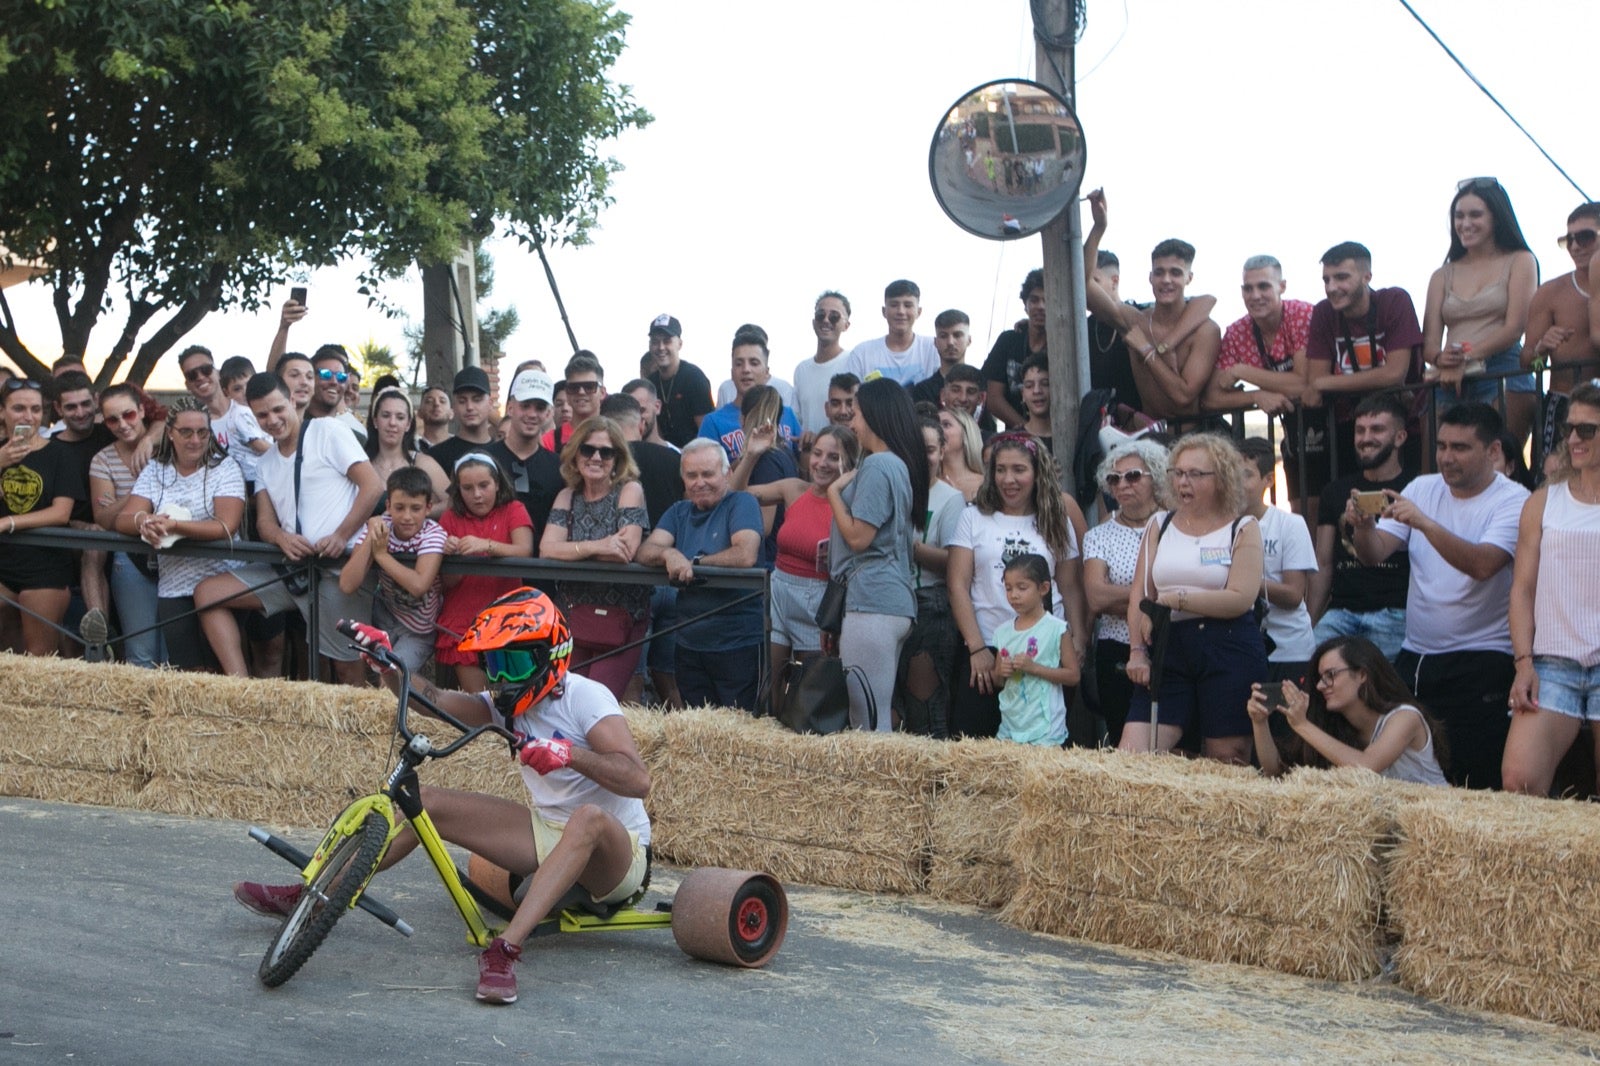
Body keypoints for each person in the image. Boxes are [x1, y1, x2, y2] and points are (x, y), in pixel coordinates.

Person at [234, 588, 652, 1007]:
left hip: (619, 857)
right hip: (550, 834)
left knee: (588, 817)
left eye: (514, 665)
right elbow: (432, 700)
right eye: (495, 666)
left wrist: (569, 754)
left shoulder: (585, 697)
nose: (503, 680)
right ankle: (313, 898)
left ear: (551, 656)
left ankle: (504, 951)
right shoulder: (506, 703)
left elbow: (638, 779)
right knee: (425, 802)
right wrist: (389, 665)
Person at [1352, 402, 1529, 789]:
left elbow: (1483, 564)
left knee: (1474, 777)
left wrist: (1425, 523)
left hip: (1483, 657)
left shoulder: (1514, 500)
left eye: (1460, 448)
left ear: (1493, 451)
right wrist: (1363, 528)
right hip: (1418, 655)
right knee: (1415, 775)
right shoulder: (1422, 488)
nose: (1447, 458)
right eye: (1442, 446)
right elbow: (1374, 553)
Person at [193, 374, 382, 685]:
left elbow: (372, 486)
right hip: (293, 571)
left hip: (338, 569)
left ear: (293, 401)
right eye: (262, 415)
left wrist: (341, 535)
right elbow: (265, 523)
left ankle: (360, 718)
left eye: (278, 409)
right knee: (208, 594)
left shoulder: (328, 430)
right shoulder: (265, 462)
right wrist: (282, 538)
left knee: (347, 668)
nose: (272, 420)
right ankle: (241, 690)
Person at [1121, 434, 1266, 763]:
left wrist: (1176, 600)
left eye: (1195, 474)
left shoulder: (1243, 527)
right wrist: (1137, 652)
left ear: (1222, 479)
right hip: (1168, 646)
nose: (1183, 482)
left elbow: (1240, 598)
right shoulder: (1160, 523)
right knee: (1132, 755)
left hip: (1227, 646)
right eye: (1178, 473)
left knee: (1225, 759)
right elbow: (1140, 594)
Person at [948, 431, 1088, 739]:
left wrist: (1078, 638)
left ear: (1038, 473)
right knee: (977, 742)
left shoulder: (1056, 519)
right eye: (1000, 469)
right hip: (989, 645)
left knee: (1042, 742)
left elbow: (1070, 586)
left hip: (1045, 649)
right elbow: (957, 584)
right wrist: (977, 648)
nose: (1008, 479)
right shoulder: (973, 517)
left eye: (1019, 469)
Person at [1504, 381, 1600, 795]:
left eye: (1587, 430)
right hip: (1551, 662)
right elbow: (1522, 590)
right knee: (1519, 781)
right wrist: (1524, 664)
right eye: (1569, 428)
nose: (1573, 439)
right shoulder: (1543, 502)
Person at [114, 398, 247, 671]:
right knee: (188, 673)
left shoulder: (225, 467)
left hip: (222, 580)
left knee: (223, 672)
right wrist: (144, 521)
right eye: (186, 432)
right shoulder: (155, 470)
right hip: (174, 583)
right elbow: (123, 519)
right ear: (170, 433)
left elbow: (226, 526)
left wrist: (174, 526)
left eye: (202, 432)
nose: (195, 440)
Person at [826, 378, 928, 732]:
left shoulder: (878, 466)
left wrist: (833, 494)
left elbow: (858, 537)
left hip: (872, 600)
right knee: (876, 713)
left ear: (874, 415)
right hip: (891, 599)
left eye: (856, 414)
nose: (851, 423)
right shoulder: (898, 464)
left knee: (866, 719)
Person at [732, 423, 859, 703]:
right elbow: (736, 495)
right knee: (769, 688)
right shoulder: (795, 488)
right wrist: (752, 454)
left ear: (849, 463)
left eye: (833, 457)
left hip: (818, 600)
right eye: (817, 453)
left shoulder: (852, 502)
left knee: (807, 694)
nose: (822, 463)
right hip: (779, 589)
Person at [637, 439, 763, 711]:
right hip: (688, 643)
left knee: (739, 724)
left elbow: (745, 554)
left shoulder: (741, 503)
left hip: (737, 642)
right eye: (691, 475)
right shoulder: (679, 511)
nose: (699, 482)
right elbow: (645, 550)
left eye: (708, 474)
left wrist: (694, 563)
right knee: (697, 724)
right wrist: (669, 554)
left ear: (727, 474)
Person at [1082, 190, 1221, 423]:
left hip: (1194, 434)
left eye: (1175, 273)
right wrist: (1099, 227)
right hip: (1151, 434)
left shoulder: (1206, 330)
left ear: (1189, 278)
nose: (1166, 280)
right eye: (1159, 272)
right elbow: (1083, 287)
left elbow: (1183, 397)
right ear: (1150, 277)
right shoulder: (1135, 320)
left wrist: (1147, 350)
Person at [1422, 177, 1538, 447]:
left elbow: (1515, 328)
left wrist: (1466, 358)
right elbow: (1429, 343)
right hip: (1448, 377)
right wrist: (1440, 358)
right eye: (1459, 216)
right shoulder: (1442, 274)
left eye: (1475, 215)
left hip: (1501, 368)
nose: (1465, 223)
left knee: (1500, 460)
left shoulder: (1520, 260)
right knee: (1437, 464)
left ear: (1496, 218)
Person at [539, 417, 650, 699]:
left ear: (617, 459)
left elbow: (625, 551)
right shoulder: (567, 496)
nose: (596, 457)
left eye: (606, 452)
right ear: (575, 454)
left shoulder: (630, 490)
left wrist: (571, 550)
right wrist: (599, 545)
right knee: (563, 700)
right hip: (573, 615)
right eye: (588, 449)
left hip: (620, 617)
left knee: (594, 700)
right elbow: (547, 548)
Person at [1306, 242, 1427, 486]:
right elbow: (1315, 379)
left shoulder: (1394, 300)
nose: (1331, 287)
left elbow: (1395, 374)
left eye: (1341, 278)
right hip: (1351, 429)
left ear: (1367, 277)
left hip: (1406, 423)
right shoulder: (1323, 312)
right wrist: (1320, 383)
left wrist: (1325, 383)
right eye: (1326, 280)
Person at [1250, 636, 1448, 786]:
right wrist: (1259, 723)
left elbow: (1367, 767)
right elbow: (1277, 774)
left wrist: (1302, 725)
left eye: (1331, 675)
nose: (1320, 686)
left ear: (1362, 674)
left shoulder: (1405, 717)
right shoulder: (1334, 725)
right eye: (1320, 678)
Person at [1309, 394, 1415, 661]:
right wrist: (1309, 623)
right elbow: (1323, 562)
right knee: (1309, 669)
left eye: (1377, 429)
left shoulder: (1416, 489)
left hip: (1396, 613)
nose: (1366, 438)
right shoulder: (1335, 491)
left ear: (1400, 437)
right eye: (1360, 430)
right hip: (1340, 613)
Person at [1083, 439, 1169, 747]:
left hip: (1171, 645)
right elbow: (1096, 597)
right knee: (1123, 741)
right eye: (1113, 478)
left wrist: (1125, 598)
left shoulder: (1176, 526)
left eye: (1132, 476)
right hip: (1116, 651)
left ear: (1155, 476)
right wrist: (1154, 596)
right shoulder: (1098, 535)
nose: (1122, 485)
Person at [434, 453, 535, 691]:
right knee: (481, 701)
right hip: (463, 621)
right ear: (458, 490)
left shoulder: (514, 509)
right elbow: (447, 582)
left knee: (512, 698)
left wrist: (486, 545)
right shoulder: (450, 518)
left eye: (484, 485)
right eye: (468, 488)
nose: (477, 495)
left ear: (497, 484)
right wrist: (449, 555)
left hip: (507, 619)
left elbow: (525, 551)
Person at [896, 416, 967, 737]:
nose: (922, 457)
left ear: (942, 452)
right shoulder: (895, 488)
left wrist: (910, 546)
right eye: (915, 448)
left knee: (926, 709)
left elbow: (955, 562)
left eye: (928, 449)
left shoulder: (950, 499)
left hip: (931, 606)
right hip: (893, 602)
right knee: (897, 708)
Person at [0, 378, 81, 656]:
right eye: (19, 408)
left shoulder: (60, 453)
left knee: (37, 659)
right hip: (4, 563)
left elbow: (61, 513)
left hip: (45, 566)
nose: (28, 417)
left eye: (35, 409)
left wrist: (9, 522)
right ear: (2, 412)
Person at [338, 466, 447, 671]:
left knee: (393, 676)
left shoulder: (433, 533)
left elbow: (419, 586)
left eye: (415, 508)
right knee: (374, 674)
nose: (407, 516)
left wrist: (381, 555)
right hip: (384, 618)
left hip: (419, 629)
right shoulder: (381, 526)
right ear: (388, 506)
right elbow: (347, 584)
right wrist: (371, 535)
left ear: (428, 508)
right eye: (399, 508)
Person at [89, 385, 164, 666]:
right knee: (140, 653)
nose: (122, 424)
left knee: (176, 653)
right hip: (130, 554)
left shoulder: (169, 444)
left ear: (142, 410)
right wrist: (141, 490)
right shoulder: (103, 459)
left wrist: (151, 440)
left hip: (175, 552)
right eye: (112, 419)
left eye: (128, 414)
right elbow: (103, 517)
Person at [1238, 438, 1318, 684]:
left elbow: (1294, 595)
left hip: (1288, 651)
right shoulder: (1219, 526)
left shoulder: (1290, 524)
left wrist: (1240, 584)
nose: (1236, 483)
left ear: (1269, 480)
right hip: (1239, 648)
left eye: (1246, 475)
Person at [1525, 203, 1600, 463]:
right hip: (1564, 406)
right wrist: (1541, 351)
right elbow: (1530, 364)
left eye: (1585, 237)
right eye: (1568, 240)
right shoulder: (1551, 293)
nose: (1575, 246)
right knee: (1552, 479)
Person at [992, 553, 1080, 746]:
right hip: (1010, 726)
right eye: (1008, 588)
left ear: (1043, 588)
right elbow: (997, 680)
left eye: (1022, 588)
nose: (1014, 595)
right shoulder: (1002, 632)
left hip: (1046, 729)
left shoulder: (1057, 629)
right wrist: (1000, 672)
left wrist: (1035, 668)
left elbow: (1073, 676)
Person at [488, 369, 565, 550]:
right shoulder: (483, 459)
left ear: (549, 414)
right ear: (510, 408)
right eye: (525, 405)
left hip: (543, 563)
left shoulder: (560, 466)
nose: (532, 414)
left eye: (540, 408)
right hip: (488, 561)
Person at [697, 332, 802, 462]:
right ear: (732, 373)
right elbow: (705, 469)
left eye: (754, 363)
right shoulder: (713, 422)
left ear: (767, 373)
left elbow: (802, 465)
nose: (746, 369)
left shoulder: (788, 415)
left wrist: (809, 445)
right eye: (739, 364)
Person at [178, 345, 270, 491]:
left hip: (264, 485)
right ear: (187, 385)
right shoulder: (193, 426)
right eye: (192, 375)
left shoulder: (247, 410)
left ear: (217, 372)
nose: (200, 377)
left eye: (206, 369)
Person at [840, 280, 940, 388]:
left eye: (907, 305)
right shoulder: (862, 353)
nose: (901, 311)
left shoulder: (934, 348)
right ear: (884, 311)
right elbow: (847, 393)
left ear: (919, 312)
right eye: (894, 305)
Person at [362, 386, 449, 509]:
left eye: (400, 417)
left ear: (408, 424)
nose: (392, 423)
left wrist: (420, 513)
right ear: (375, 421)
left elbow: (453, 502)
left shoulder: (422, 462)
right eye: (386, 415)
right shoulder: (361, 465)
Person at [982, 271, 1049, 428]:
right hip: (1017, 435)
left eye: (1047, 300)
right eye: (1034, 300)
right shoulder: (1009, 341)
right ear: (1025, 305)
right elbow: (993, 397)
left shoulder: (1065, 346)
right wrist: (1028, 431)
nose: (1041, 306)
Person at [646, 314, 715, 447]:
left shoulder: (694, 378)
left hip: (696, 453)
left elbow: (707, 435)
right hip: (665, 453)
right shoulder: (651, 383)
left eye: (667, 341)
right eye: (655, 342)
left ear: (679, 344)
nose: (661, 347)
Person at [793, 291, 853, 434]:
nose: (826, 320)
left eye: (834, 316)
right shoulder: (802, 369)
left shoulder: (853, 362)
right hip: (811, 448)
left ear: (846, 325)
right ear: (814, 322)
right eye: (820, 315)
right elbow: (798, 419)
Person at [426, 366, 499, 473]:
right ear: (454, 406)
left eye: (477, 400)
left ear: (490, 404)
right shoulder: (435, 457)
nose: (469, 407)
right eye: (462, 401)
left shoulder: (504, 452)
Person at [911, 310, 973, 408]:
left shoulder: (982, 384)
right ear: (935, 342)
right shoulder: (923, 391)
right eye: (943, 336)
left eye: (957, 335)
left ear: (969, 340)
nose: (950, 342)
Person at [308, 346, 368, 443]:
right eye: (326, 374)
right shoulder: (292, 429)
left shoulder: (356, 440)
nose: (334, 382)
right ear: (310, 378)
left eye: (341, 377)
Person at [555, 353, 607, 455]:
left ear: (602, 392)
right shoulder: (549, 441)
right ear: (567, 392)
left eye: (589, 387)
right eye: (574, 387)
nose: (581, 392)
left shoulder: (615, 438)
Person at [937, 407, 984, 502]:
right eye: (935, 425)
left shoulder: (986, 483)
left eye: (946, 425)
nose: (937, 430)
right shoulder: (928, 483)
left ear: (966, 433)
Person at [622, 378, 674, 451]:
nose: (637, 418)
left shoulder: (678, 456)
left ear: (657, 407)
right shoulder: (616, 456)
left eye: (641, 410)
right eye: (630, 413)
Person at [417, 384, 453, 450]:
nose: (436, 404)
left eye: (442, 401)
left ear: (452, 413)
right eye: (429, 401)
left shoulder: (465, 450)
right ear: (420, 413)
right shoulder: (409, 450)